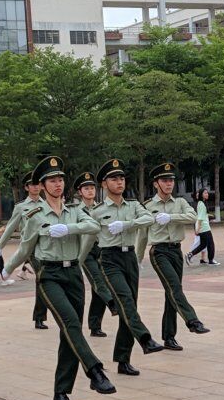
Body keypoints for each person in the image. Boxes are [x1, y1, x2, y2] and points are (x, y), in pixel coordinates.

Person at [2, 156, 116, 400]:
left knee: (69, 333)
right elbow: (25, 247)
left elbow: (93, 225)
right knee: (71, 323)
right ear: (42, 185)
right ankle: (95, 371)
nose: (57, 184)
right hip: (49, 275)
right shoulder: (34, 215)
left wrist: (68, 228)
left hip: (73, 274)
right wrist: (7, 268)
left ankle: (61, 393)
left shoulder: (75, 210)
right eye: (52, 180)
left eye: (60, 180)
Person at [80, 159, 164, 375]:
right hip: (109, 260)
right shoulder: (97, 212)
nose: (119, 182)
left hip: (130, 258)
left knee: (129, 307)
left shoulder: (133, 205)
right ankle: (145, 338)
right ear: (104, 184)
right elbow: (88, 241)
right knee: (126, 301)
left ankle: (123, 360)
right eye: (114, 179)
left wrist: (127, 224)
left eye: (121, 178)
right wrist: (78, 263)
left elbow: (148, 219)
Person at [137, 162, 211, 351]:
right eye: (164, 180)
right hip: (159, 252)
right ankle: (193, 321)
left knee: (171, 292)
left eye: (171, 180)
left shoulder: (180, 203)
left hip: (176, 251)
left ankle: (169, 337)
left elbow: (193, 217)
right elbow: (143, 235)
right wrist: (137, 258)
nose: (169, 183)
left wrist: (171, 217)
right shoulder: (148, 206)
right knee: (174, 287)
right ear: (156, 183)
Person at [0, 173, 49, 329]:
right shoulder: (21, 207)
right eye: (32, 184)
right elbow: (11, 227)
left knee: (44, 280)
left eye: (38, 184)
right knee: (42, 278)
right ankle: (39, 317)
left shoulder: (47, 203)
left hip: (45, 246)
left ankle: (40, 315)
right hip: (30, 248)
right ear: (27, 187)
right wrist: (1, 245)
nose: (35, 187)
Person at [74, 171, 116, 338]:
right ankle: (112, 303)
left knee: (98, 289)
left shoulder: (101, 208)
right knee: (99, 281)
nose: (90, 191)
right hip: (86, 252)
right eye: (86, 188)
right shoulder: (75, 211)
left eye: (92, 188)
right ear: (80, 192)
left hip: (102, 249)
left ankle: (95, 326)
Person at [185, 189, 218, 265]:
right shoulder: (201, 204)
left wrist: (209, 216)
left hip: (203, 227)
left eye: (207, 193)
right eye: (205, 193)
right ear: (201, 195)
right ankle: (211, 260)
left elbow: (202, 215)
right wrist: (197, 229)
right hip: (205, 228)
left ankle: (190, 255)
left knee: (203, 245)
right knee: (210, 244)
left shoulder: (201, 203)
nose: (207, 194)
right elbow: (200, 218)